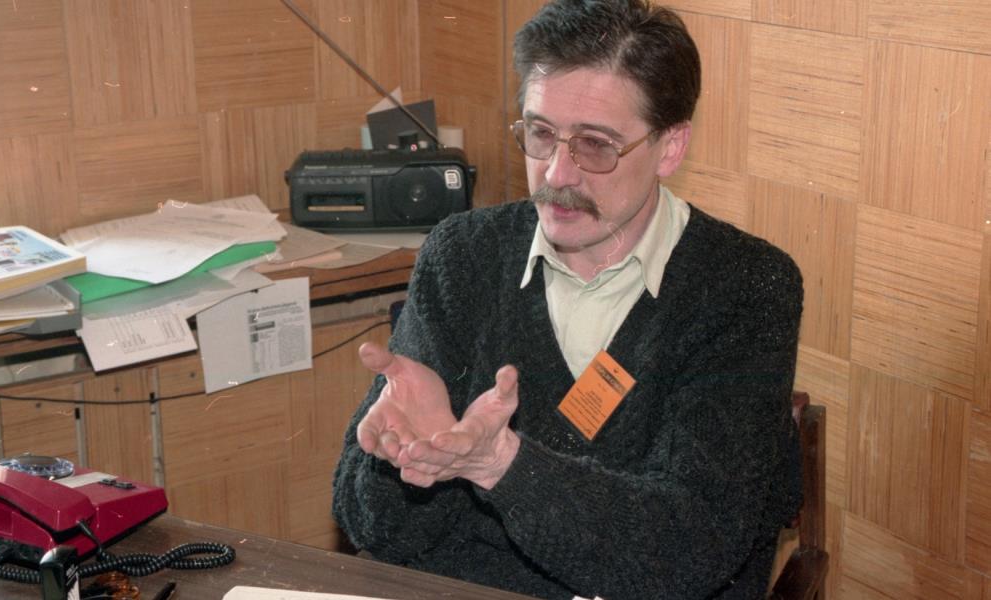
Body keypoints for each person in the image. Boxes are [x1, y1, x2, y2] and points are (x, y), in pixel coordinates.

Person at [332, 1, 804, 598]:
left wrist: (500, 464)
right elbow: (372, 529)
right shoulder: (464, 256)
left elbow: (690, 551)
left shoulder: (746, 286)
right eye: (540, 134)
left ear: (670, 146)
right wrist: (403, 457)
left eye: (596, 145)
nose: (557, 174)